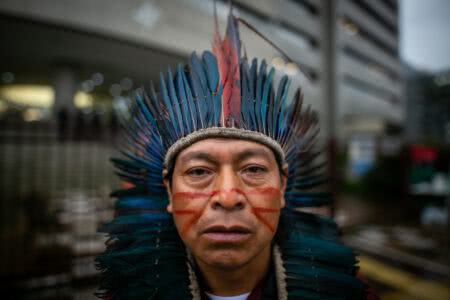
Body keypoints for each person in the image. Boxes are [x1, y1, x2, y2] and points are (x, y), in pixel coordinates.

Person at [96, 7, 375, 300]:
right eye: (198, 171)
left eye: (253, 169)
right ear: (169, 190)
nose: (228, 197)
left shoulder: (344, 292)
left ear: (282, 186)